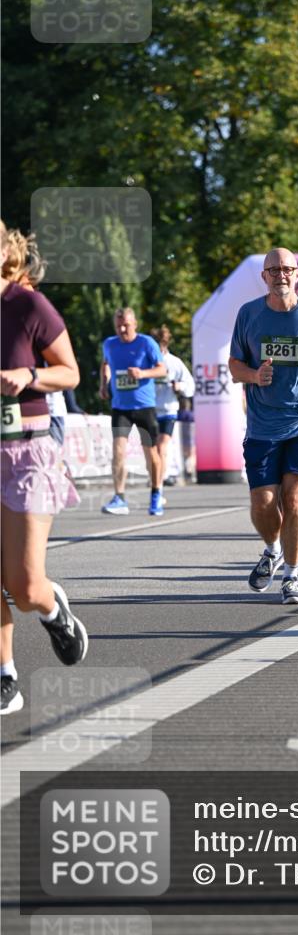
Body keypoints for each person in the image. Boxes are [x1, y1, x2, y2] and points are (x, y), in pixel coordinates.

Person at [1, 223, 87, 716]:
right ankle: (5, 679)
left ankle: (53, 610)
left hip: (27, 452)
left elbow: (70, 372)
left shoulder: (27, 306)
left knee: (24, 585)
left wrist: (29, 375)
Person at [229, 247, 298, 605]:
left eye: (287, 269)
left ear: (297, 275)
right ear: (264, 277)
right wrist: (254, 375)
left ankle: (292, 577)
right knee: (263, 503)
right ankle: (272, 549)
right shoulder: (249, 314)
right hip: (263, 424)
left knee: (293, 499)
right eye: (273, 269)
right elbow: (234, 367)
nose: (281, 275)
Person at [99, 308, 167, 516]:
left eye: (126, 325)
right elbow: (105, 363)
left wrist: (142, 373)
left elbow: (162, 369)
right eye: (118, 325)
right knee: (118, 450)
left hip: (144, 407)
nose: (122, 329)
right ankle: (119, 497)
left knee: (151, 454)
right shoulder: (110, 344)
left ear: (134, 324)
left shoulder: (146, 343)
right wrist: (104, 384)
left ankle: (156, 494)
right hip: (121, 408)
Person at [151, 325, 196, 490]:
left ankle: (158, 487)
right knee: (153, 451)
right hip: (150, 411)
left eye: (158, 347)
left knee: (162, 447)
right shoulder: (146, 362)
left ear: (164, 345)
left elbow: (191, 386)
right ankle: (156, 479)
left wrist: (180, 386)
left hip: (168, 410)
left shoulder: (175, 363)